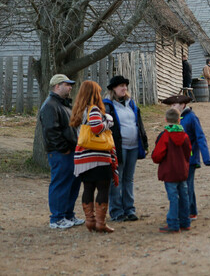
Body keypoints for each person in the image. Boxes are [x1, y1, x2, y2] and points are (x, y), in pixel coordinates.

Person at [71, 80, 117, 233]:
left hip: (82, 157)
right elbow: (97, 128)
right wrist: (108, 122)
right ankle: (100, 223)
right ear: (94, 93)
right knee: (103, 188)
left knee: (88, 188)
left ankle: (90, 221)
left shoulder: (79, 110)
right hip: (97, 155)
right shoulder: (94, 109)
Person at [40, 74, 84, 229]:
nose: (70, 87)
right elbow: (51, 131)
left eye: (70, 84)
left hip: (71, 151)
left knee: (73, 183)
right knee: (60, 184)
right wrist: (63, 148)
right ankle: (57, 218)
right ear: (57, 86)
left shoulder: (63, 104)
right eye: (67, 84)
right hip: (60, 153)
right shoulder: (50, 105)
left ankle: (68, 215)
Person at [104, 76, 149, 222]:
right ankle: (117, 211)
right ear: (113, 89)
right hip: (118, 147)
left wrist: (144, 143)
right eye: (120, 86)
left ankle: (129, 209)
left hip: (133, 146)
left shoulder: (131, 104)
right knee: (117, 179)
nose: (124, 88)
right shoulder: (108, 106)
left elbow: (139, 124)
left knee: (128, 179)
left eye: (125, 86)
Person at [161, 95, 210, 220]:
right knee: (185, 185)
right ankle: (190, 210)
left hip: (190, 159)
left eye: (174, 105)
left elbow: (200, 137)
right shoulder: (176, 119)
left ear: (182, 105)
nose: (172, 107)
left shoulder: (192, 118)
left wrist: (206, 157)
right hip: (179, 159)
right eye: (171, 106)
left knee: (187, 186)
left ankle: (187, 212)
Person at [152, 108, 192, 233]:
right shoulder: (185, 136)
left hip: (169, 172)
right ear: (179, 120)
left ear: (166, 120)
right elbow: (188, 152)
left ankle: (173, 223)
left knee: (173, 198)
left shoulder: (165, 136)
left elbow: (157, 156)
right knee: (184, 196)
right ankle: (185, 222)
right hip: (182, 171)